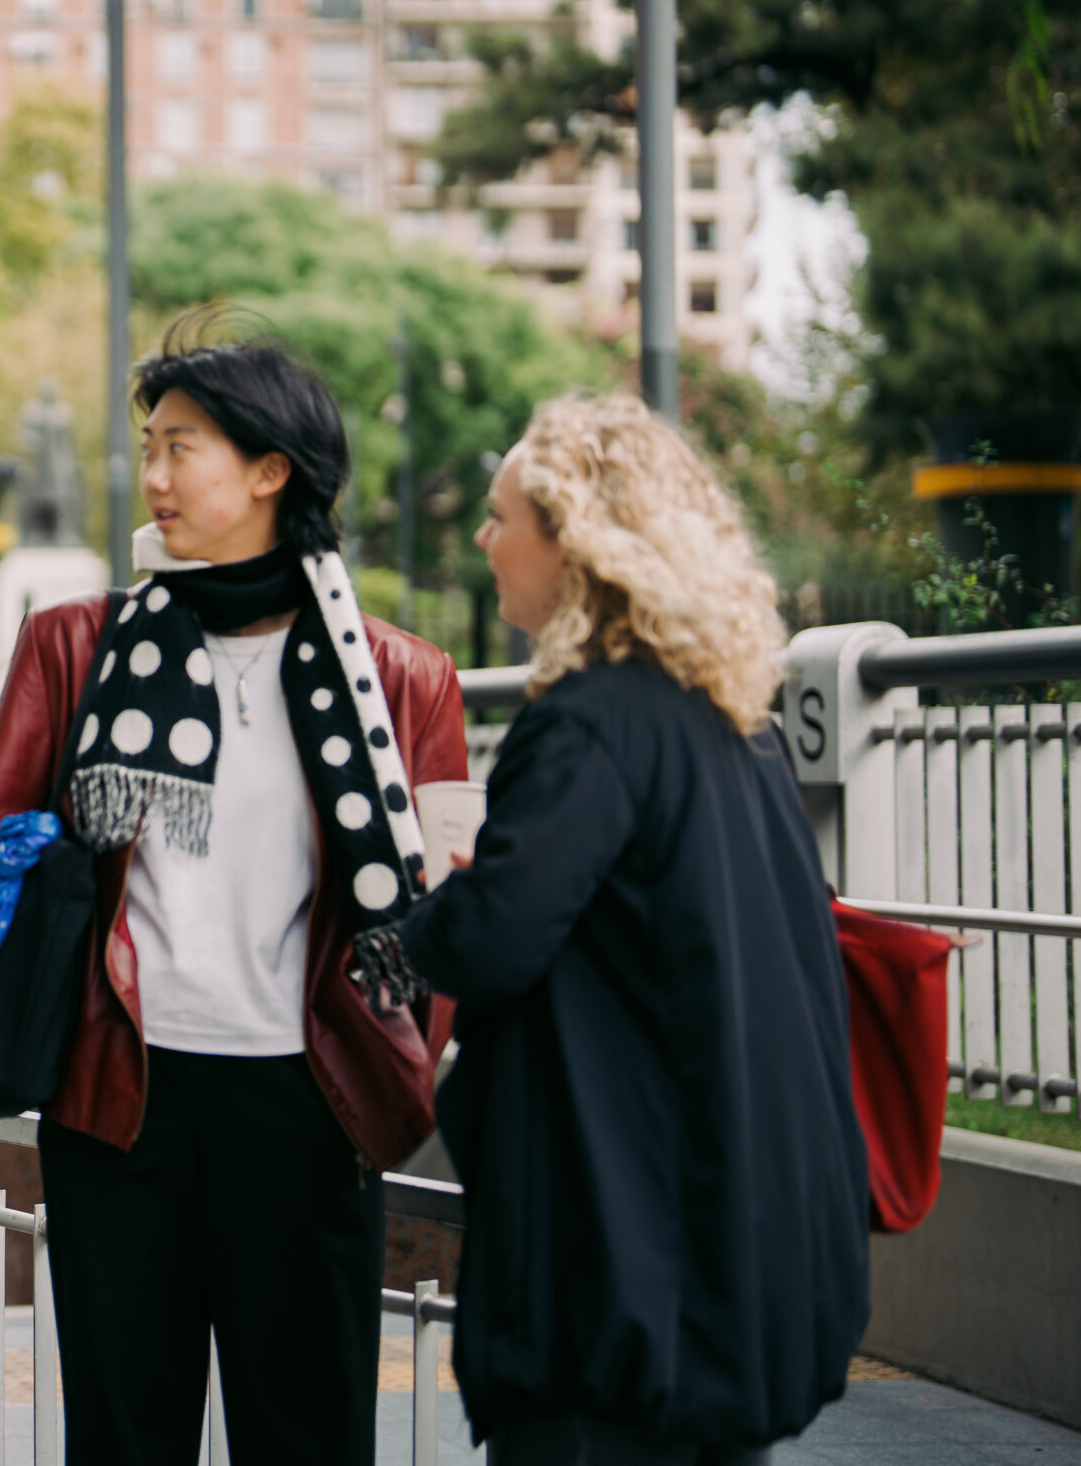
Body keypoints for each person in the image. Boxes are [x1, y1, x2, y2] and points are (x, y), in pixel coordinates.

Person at [0, 330, 468, 1466]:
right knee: (123, 1433)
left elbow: (438, 908)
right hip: (120, 1097)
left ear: (270, 471)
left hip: (310, 1106)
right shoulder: (74, 647)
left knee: (305, 1437)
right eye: (147, 450)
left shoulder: (401, 677)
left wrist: (393, 1048)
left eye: (180, 451)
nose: (151, 480)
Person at [388, 393, 869, 1466]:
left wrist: (423, 919)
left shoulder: (587, 723)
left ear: (574, 545)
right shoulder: (721, 719)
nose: (484, 538)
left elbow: (496, 936)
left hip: (619, 1267)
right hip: (729, 1250)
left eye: (503, 512)